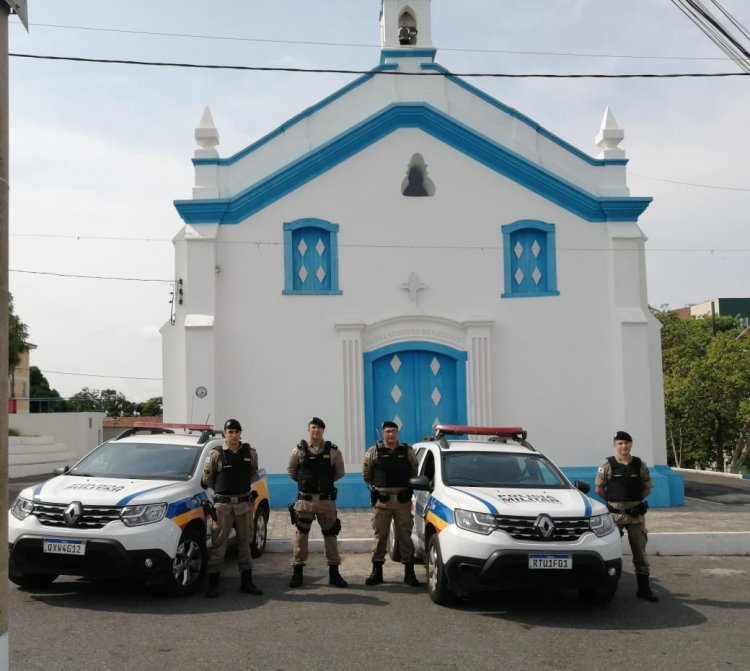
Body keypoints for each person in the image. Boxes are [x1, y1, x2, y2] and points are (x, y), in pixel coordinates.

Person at [201, 418, 263, 598]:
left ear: (240, 433)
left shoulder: (249, 453)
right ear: (225, 434)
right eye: (230, 432)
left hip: (244, 505)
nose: (234, 435)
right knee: (219, 543)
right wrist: (224, 492)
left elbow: (253, 474)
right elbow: (208, 479)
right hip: (223, 506)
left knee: (245, 542)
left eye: (236, 432)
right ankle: (213, 583)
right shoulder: (216, 454)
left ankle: (247, 581)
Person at [595, 430, 659, 602]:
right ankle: (608, 587)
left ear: (631, 444)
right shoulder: (607, 464)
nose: (624, 446)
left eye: (626, 443)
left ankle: (644, 589)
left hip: (635, 516)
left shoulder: (639, 464)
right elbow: (599, 488)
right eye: (620, 443)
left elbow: (647, 487)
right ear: (614, 445)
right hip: (615, 517)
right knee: (610, 550)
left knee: (640, 552)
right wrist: (612, 502)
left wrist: (636, 502)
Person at [286, 417, 348, 588]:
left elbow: (339, 472)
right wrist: (306, 484)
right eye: (313, 427)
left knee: (331, 535)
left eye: (319, 428)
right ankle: (297, 573)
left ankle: (334, 574)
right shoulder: (298, 450)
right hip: (305, 501)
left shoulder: (333, 451)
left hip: (325, 501)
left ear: (323, 431)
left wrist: (324, 485)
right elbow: (292, 471)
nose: (316, 431)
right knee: (301, 536)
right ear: (308, 429)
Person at [362, 420, 421, 587]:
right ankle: (377, 572)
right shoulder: (374, 451)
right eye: (387, 431)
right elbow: (367, 474)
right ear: (383, 433)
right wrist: (376, 489)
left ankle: (409, 573)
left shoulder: (407, 451)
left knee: (405, 536)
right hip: (382, 501)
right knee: (380, 536)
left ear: (397, 433)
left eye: (393, 431)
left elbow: (414, 471)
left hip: (402, 501)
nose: (390, 434)